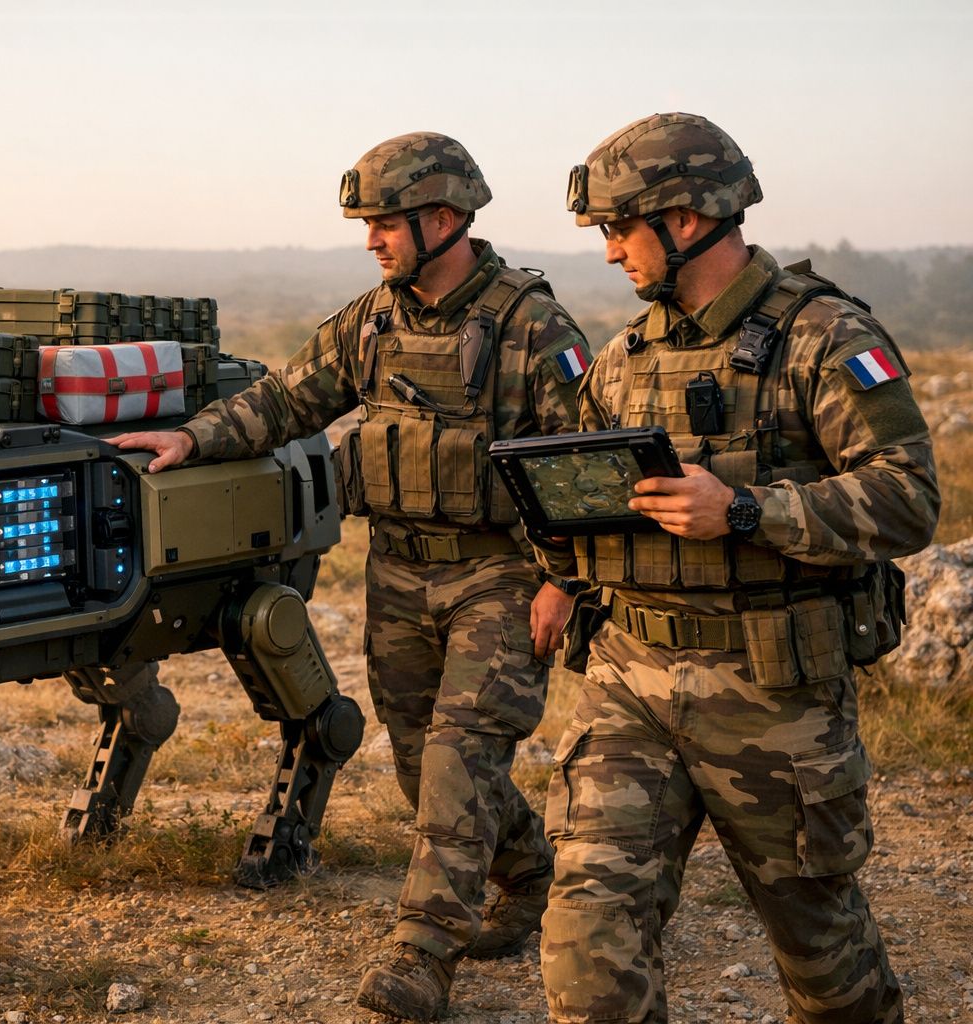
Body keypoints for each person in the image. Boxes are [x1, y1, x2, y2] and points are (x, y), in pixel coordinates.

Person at [113, 131, 589, 1021]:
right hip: (400, 573)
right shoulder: (373, 319)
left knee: (458, 761)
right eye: (366, 225)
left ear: (441, 219)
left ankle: (420, 956)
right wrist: (195, 438)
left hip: (501, 575)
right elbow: (288, 397)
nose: (371, 240)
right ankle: (529, 870)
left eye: (384, 224)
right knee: (422, 768)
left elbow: (582, 466)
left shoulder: (533, 325)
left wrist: (565, 579)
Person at [536, 112, 937, 1023]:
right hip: (629, 680)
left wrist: (748, 510)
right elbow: (595, 491)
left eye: (616, 229)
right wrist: (562, 570)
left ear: (685, 219)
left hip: (775, 695)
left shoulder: (824, 336)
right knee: (587, 949)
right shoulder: (624, 357)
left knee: (826, 964)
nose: (608, 255)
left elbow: (910, 498)